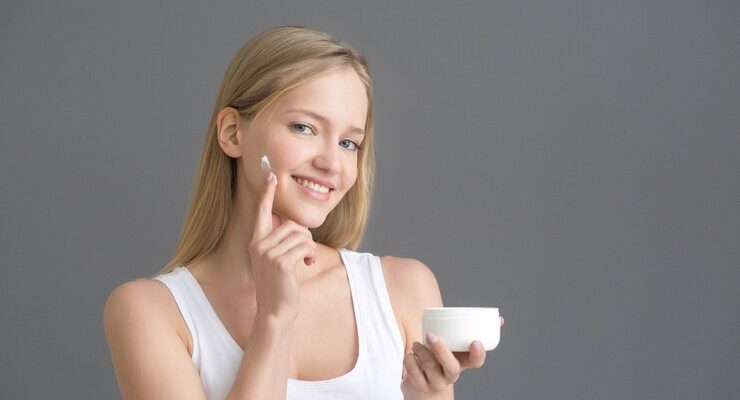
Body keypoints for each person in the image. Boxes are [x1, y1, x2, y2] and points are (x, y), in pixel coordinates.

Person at [103, 25, 504, 400]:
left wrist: (429, 395)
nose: (332, 163)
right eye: (304, 128)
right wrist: (274, 318)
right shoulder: (150, 312)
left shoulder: (404, 288)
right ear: (232, 133)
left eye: (349, 143)